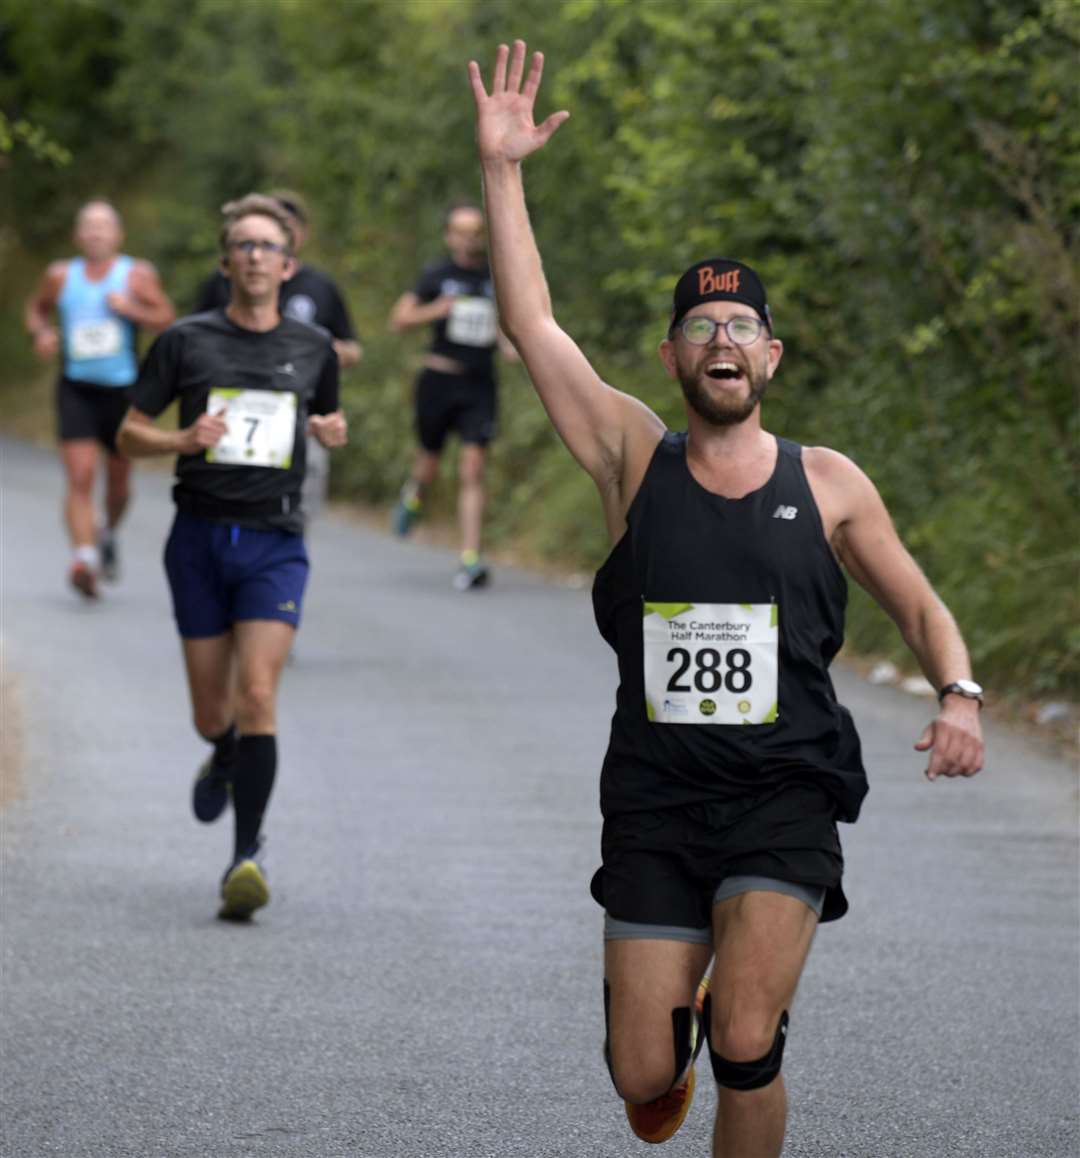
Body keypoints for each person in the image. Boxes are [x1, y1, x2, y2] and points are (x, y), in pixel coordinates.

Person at [469, 41, 984, 1157]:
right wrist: (504, 173)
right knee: (643, 1075)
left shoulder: (831, 481)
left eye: (742, 325)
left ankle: (742, 1012)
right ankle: (672, 1041)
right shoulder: (628, 458)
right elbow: (534, 328)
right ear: (671, 355)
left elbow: (921, 604)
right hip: (655, 798)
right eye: (701, 326)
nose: (722, 341)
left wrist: (960, 690)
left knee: (748, 1040)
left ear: (773, 356)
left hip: (783, 795)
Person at [116, 193, 347, 920]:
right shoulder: (185, 341)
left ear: (288, 264)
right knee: (210, 712)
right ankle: (221, 752)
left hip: (276, 540)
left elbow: (327, 417)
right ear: (226, 263)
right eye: (241, 246)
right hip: (199, 537)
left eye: (266, 246)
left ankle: (246, 857)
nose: (253, 256)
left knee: (258, 696)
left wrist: (333, 430)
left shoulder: (314, 350)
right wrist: (182, 441)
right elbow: (128, 433)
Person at [24, 200, 175, 597]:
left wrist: (132, 309)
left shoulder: (135, 274)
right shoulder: (60, 275)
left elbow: (166, 318)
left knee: (119, 483)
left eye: (103, 227)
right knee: (80, 476)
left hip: (124, 390)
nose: (95, 234)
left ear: (117, 235)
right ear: (77, 235)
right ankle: (85, 557)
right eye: (88, 227)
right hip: (76, 386)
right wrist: (41, 333)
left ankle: (107, 531)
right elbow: (36, 311)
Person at [193, 189, 361, 520]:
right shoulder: (226, 277)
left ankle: (287, 552)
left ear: (299, 235)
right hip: (235, 405)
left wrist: (324, 354)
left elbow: (352, 347)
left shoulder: (320, 286)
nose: (258, 254)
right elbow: (196, 336)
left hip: (300, 413)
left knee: (294, 512)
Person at [388, 201, 517, 591]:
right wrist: (436, 310)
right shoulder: (436, 275)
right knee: (429, 461)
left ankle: (471, 557)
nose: (469, 238)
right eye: (461, 231)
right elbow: (399, 320)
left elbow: (507, 326)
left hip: (479, 385)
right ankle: (415, 496)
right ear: (449, 236)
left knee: (473, 468)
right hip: (438, 381)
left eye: (476, 231)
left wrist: (511, 345)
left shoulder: (496, 278)